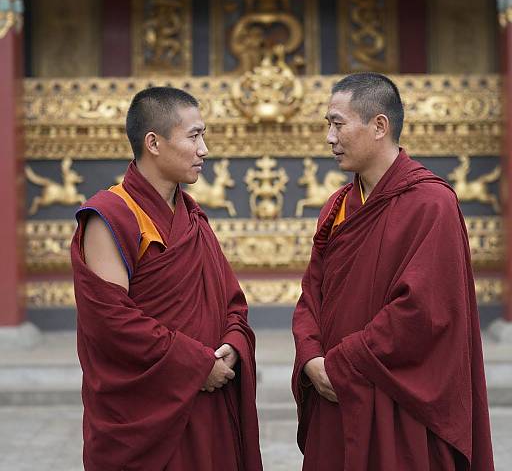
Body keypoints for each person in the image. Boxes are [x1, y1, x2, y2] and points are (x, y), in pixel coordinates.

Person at [291, 72, 494, 470]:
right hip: (334, 391)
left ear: (379, 125)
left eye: (337, 124)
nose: (329, 138)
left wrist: (341, 362)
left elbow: (422, 311)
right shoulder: (337, 207)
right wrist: (310, 354)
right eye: (327, 126)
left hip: (393, 396)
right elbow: (311, 293)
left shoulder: (431, 204)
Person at [71, 87, 262, 471]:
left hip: (209, 401)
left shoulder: (193, 219)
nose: (204, 149)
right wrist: (194, 364)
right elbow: (112, 323)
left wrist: (231, 342)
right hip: (150, 412)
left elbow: (230, 302)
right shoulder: (110, 216)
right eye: (194, 136)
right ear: (154, 143)